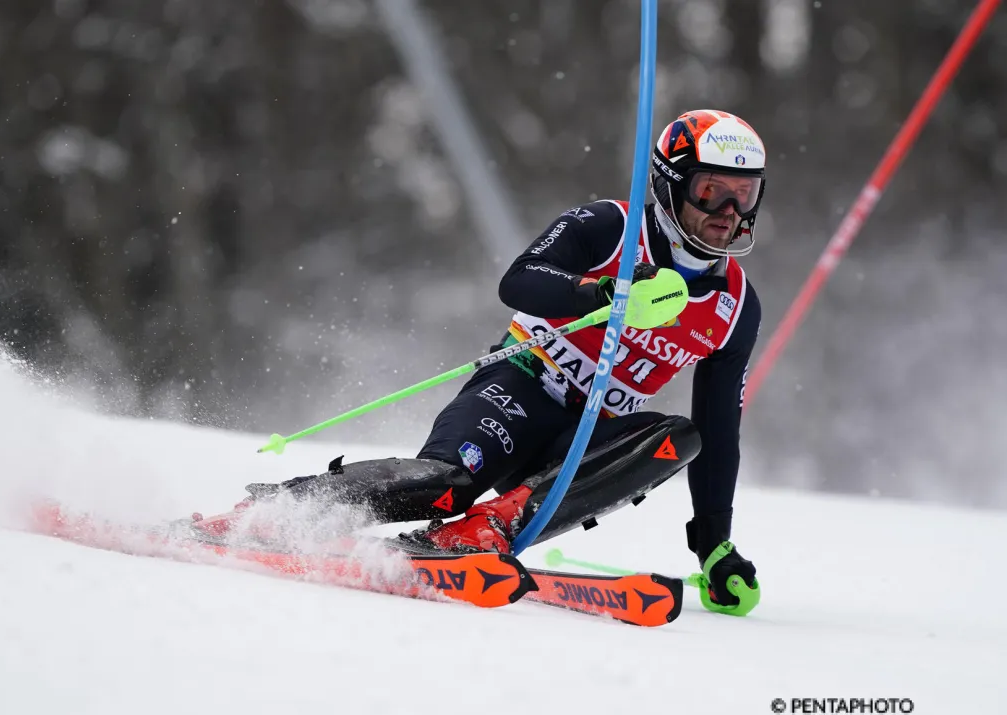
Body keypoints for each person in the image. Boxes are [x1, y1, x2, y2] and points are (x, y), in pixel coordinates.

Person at [200, 109, 764, 615]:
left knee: (680, 436)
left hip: (584, 436)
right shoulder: (611, 227)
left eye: (746, 194)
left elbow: (721, 429)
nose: (730, 213)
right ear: (669, 186)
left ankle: (485, 530)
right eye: (713, 191)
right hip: (521, 387)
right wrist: (604, 294)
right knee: (443, 484)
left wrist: (715, 546)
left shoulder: (736, 306)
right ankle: (271, 515)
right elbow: (519, 281)